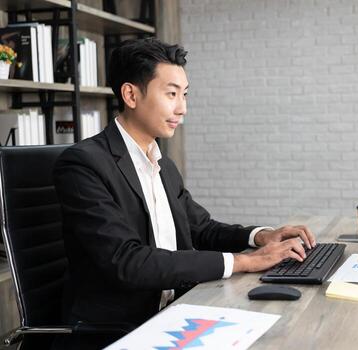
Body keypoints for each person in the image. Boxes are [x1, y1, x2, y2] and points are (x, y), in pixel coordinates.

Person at [51, 38, 316, 349]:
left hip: (177, 312)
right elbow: (128, 262)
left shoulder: (161, 163)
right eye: (171, 94)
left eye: (185, 94)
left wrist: (260, 237)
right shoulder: (83, 165)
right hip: (118, 330)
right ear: (131, 94)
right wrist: (245, 262)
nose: (182, 108)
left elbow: (201, 228)